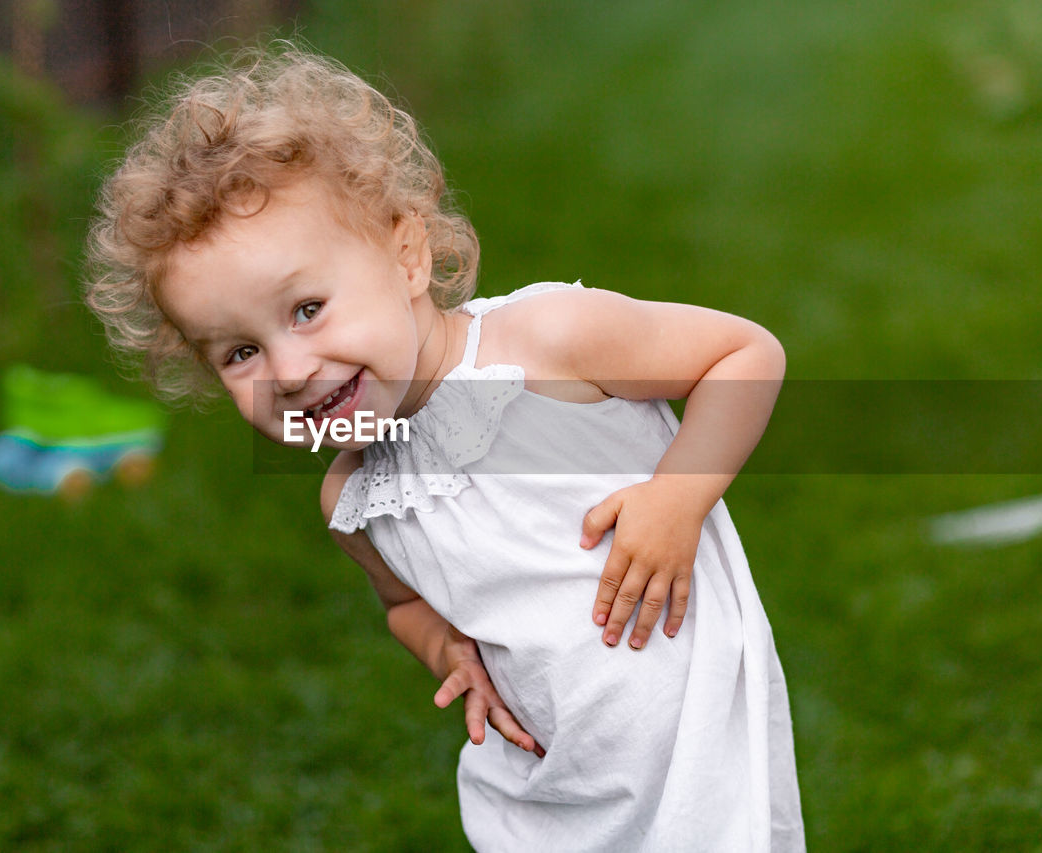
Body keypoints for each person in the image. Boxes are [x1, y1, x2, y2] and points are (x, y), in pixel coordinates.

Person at [85, 45, 804, 851]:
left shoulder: (545, 346)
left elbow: (744, 356)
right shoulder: (355, 500)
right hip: (547, 788)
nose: (288, 370)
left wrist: (679, 497)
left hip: (692, 749)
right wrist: (445, 647)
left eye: (308, 308)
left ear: (407, 254)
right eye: (238, 353)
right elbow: (404, 604)